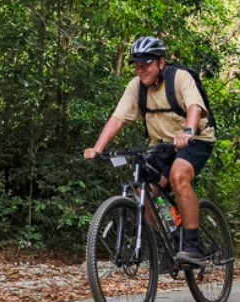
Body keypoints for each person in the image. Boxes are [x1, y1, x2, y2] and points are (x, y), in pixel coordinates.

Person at [83, 36, 215, 267]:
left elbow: (194, 106)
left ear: (161, 63)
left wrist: (187, 130)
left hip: (194, 140)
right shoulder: (136, 87)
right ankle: (175, 237)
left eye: (146, 64)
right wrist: (97, 148)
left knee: (178, 176)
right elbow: (117, 118)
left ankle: (193, 245)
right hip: (161, 145)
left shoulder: (179, 78)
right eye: (137, 65)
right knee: (142, 191)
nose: (141, 69)